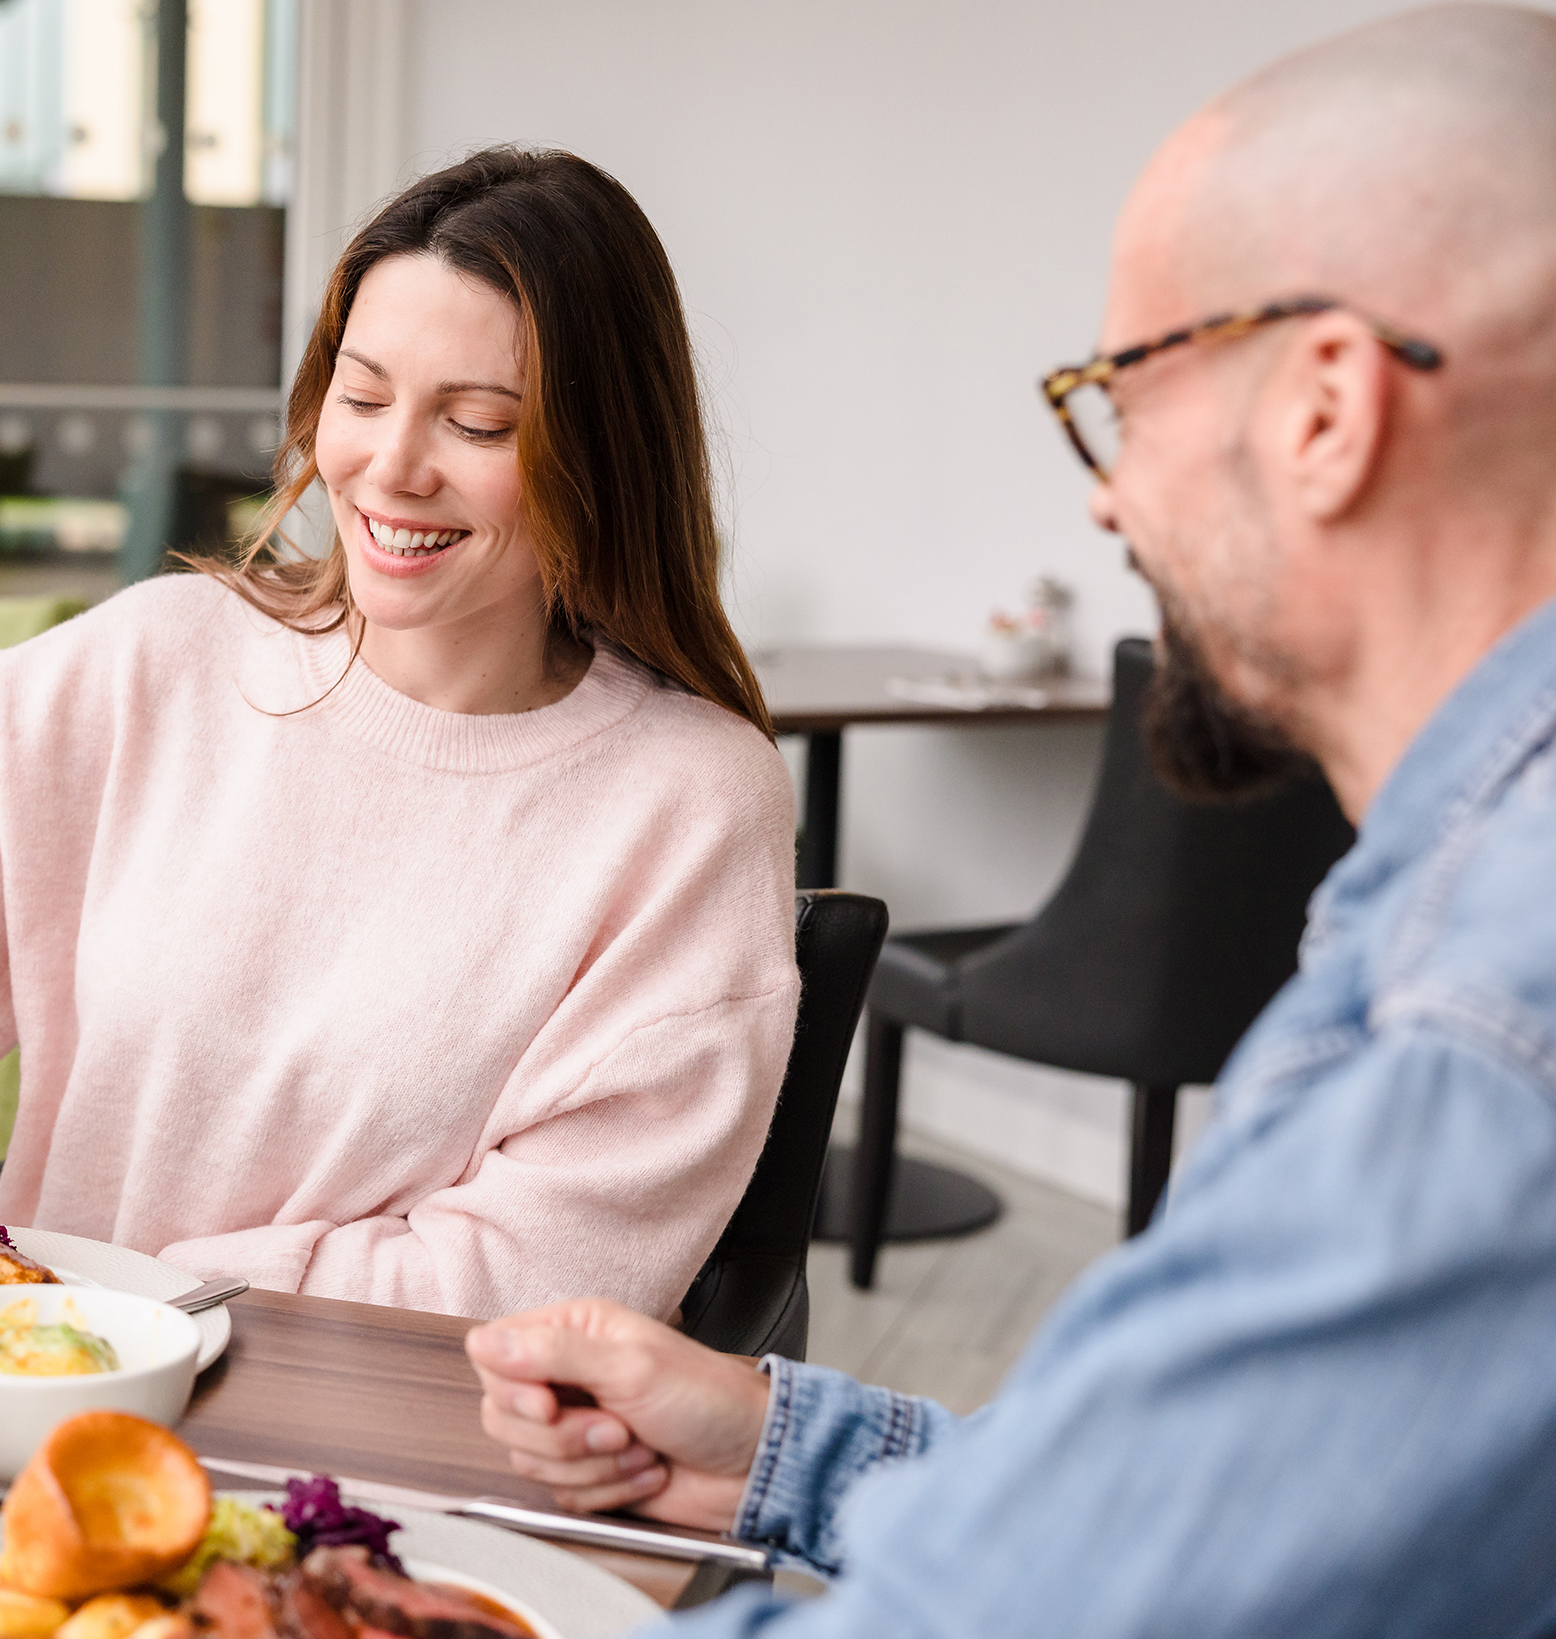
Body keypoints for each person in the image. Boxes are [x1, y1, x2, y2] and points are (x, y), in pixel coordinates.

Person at [469, 6, 1556, 1631]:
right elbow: (1216, 1508)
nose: (1106, 496)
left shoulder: (1479, 1029)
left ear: (1323, 410)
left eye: (1118, 399)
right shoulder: (1447, 936)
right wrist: (793, 1446)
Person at [0, 148, 801, 1320]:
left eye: (478, 424)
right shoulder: (148, 663)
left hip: (351, 1455)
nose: (390, 467)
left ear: (601, 455)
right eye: (360, 397)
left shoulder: (688, 802)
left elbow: (534, 1280)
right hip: (26, 1399)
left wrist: (134, 1304)